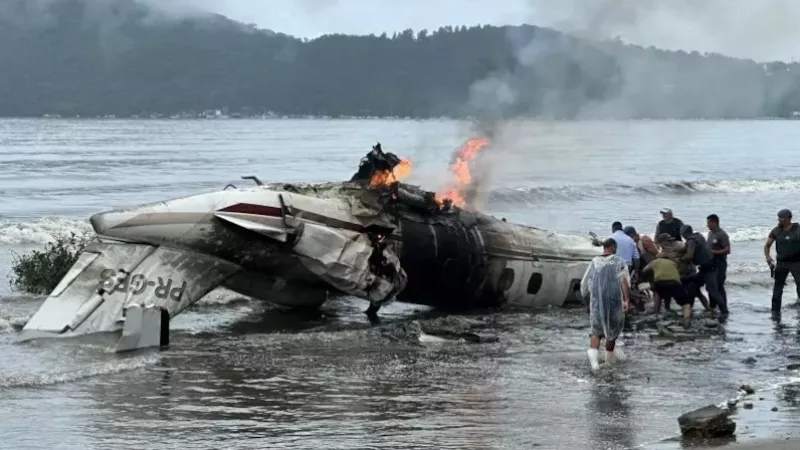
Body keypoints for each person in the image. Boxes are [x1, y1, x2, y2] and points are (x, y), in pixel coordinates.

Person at [581, 238, 631, 371]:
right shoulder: (619, 261)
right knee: (611, 333)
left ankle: (594, 364)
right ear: (613, 247)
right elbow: (624, 281)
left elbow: (584, 285)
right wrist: (626, 300)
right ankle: (609, 363)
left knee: (595, 332)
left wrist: (587, 299)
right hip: (614, 302)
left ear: (604, 247)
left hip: (597, 302)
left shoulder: (594, 261)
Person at [682, 224, 727, 317]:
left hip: (709, 269)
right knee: (693, 286)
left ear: (684, 234)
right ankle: (689, 309)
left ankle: (724, 312)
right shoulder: (699, 236)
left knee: (713, 291)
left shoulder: (691, 241)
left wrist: (681, 259)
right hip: (706, 268)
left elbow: (689, 256)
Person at [764, 208, 800, 316]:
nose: (779, 219)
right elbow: (767, 246)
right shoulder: (776, 230)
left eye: (782, 217)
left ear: (788, 218)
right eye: (779, 217)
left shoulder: (797, 229)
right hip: (781, 264)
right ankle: (775, 312)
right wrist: (768, 257)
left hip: (796, 263)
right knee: (777, 288)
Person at [642, 255, 693, 326]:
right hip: (675, 283)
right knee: (686, 305)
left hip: (660, 283)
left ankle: (656, 313)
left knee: (658, 292)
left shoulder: (655, 261)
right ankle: (686, 322)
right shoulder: (673, 263)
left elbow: (644, 270)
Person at [706, 214, 730, 311]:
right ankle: (712, 306)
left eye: (709, 223)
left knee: (719, 286)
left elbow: (727, 250)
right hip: (711, 264)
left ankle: (723, 308)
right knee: (711, 286)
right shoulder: (710, 233)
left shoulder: (722, 234)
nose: (707, 225)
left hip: (720, 263)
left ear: (715, 222)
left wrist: (713, 252)